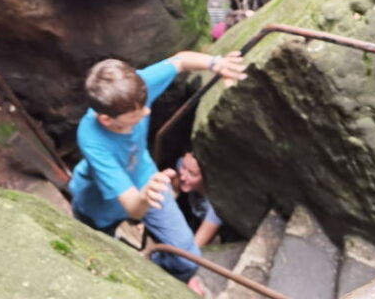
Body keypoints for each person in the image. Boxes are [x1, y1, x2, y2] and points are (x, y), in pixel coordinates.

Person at [69, 49, 246, 293]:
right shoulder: (92, 140)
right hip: (97, 204)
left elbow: (181, 60)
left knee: (186, 259)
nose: (147, 112)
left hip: (145, 178)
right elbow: (132, 205)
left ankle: (160, 272)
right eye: (136, 114)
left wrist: (216, 63)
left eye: (144, 105)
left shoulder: (133, 89)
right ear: (106, 120)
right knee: (103, 262)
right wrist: (145, 196)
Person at [176, 151, 222, 247]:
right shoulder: (183, 163)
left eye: (192, 174)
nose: (183, 177)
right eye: (183, 168)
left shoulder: (216, 207)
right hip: (193, 216)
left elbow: (194, 247)